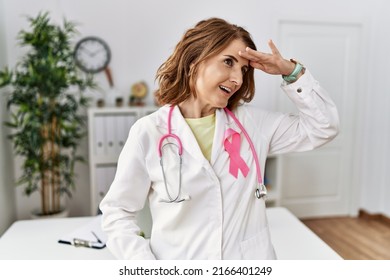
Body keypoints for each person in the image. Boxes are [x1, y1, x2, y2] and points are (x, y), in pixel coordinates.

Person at [99, 17, 339, 260]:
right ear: (195, 60)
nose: (238, 79)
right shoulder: (149, 132)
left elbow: (323, 127)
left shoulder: (253, 125)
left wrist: (291, 72)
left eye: (244, 69)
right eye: (228, 62)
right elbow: (117, 213)